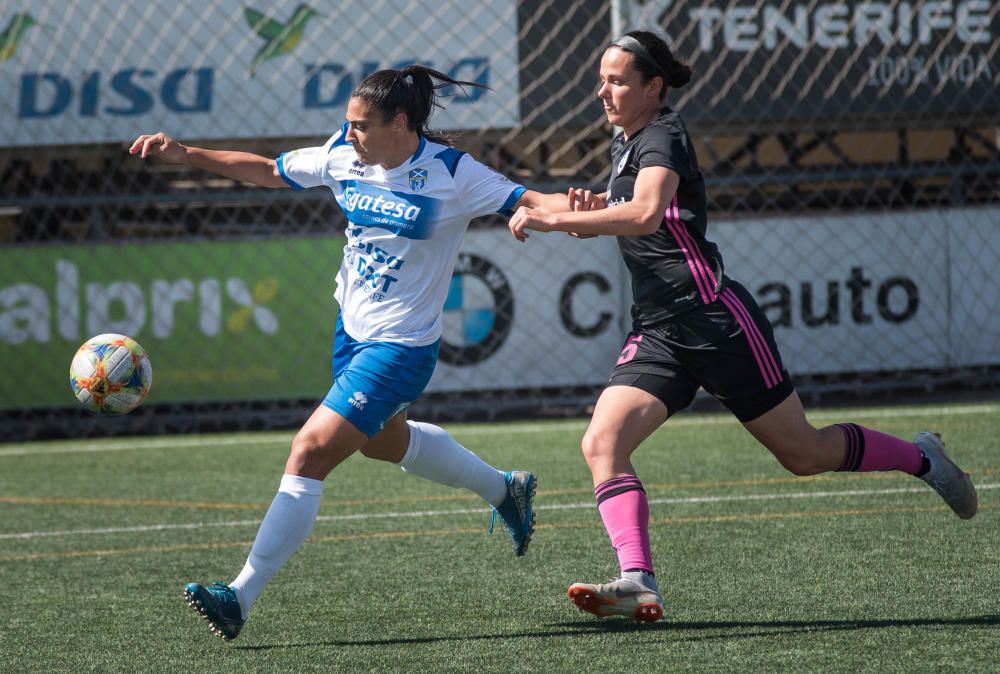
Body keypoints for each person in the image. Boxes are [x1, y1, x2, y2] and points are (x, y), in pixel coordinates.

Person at [508, 30, 978, 624]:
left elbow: (647, 212)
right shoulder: (627, 142)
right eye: (601, 79)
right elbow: (632, 210)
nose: (603, 90)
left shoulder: (663, 134)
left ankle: (922, 458)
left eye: (617, 80)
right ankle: (638, 581)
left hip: (714, 321)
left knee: (804, 454)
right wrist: (567, 210)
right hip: (659, 330)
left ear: (653, 88)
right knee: (603, 442)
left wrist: (562, 222)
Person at [130, 65, 572, 641]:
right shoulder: (345, 154)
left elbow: (534, 196)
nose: (350, 134)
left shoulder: (451, 173)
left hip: (402, 347)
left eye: (362, 125)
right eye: (348, 124)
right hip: (352, 334)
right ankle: (504, 488)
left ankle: (238, 595)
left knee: (310, 450)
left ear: (402, 123)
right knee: (386, 445)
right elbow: (269, 169)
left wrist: (562, 207)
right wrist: (188, 154)